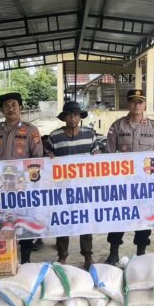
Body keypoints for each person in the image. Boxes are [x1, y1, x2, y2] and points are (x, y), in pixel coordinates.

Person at [105, 89, 154, 264]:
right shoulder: (117, 126)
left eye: (140, 102)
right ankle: (113, 251)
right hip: (122, 182)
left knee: (143, 218)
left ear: (145, 104)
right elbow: (108, 153)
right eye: (133, 101)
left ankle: (141, 252)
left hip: (145, 182)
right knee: (119, 217)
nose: (137, 105)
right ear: (128, 104)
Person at [0, 92, 43, 263]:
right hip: (2, 189)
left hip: (23, 188)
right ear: (1, 110)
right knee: (4, 223)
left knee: (24, 224)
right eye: (7, 106)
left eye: (14, 105)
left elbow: (37, 157)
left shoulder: (31, 130)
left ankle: (25, 261)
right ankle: (6, 260)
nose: (11, 109)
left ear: (21, 108)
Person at [46, 101, 97, 269]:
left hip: (85, 188)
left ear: (80, 117)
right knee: (63, 222)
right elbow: (46, 158)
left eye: (76, 115)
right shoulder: (54, 136)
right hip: (62, 188)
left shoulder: (90, 135)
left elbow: (97, 154)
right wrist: (48, 155)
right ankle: (62, 256)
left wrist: (98, 154)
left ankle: (88, 256)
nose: (73, 118)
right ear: (64, 117)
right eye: (69, 115)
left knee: (85, 221)